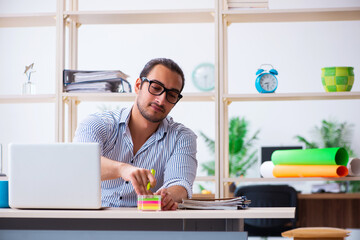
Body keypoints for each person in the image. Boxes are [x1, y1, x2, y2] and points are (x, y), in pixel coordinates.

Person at [73, 58, 197, 210]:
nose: (161, 99)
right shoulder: (98, 124)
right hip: (93, 218)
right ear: (138, 86)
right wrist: (122, 169)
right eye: (156, 88)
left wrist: (168, 196)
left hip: (148, 220)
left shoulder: (182, 137)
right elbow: (80, 164)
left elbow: (181, 183)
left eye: (171, 95)